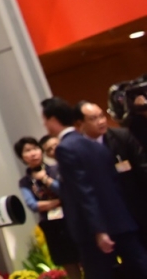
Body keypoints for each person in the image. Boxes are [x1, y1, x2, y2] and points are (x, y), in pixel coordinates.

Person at [42, 96, 147, 279]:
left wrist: (99, 230)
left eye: (44, 119)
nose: (44, 124)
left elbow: (83, 191)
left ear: (52, 119)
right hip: (120, 219)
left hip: (93, 229)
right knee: (139, 266)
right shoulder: (95, 145)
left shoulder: (66, 148)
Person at [78, 99, 147, 249]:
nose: (101, 121)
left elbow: (143, 168)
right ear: (80, 123)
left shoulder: (122, 137)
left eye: (101, 116)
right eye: (93, 119)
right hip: (108, 217)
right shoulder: (78, 149)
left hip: (137, 208)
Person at [13, 136, 80, 278]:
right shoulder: (25, 182)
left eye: (35, 148)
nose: (33, 153)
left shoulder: (56, 169)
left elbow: (65, 191)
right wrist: (58, 201)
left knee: (85, 257)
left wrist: (45, 179)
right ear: (22, 157)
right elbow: (33, 205)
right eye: (27, 151)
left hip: (71, 219)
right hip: (51, 226)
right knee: (67, 262)